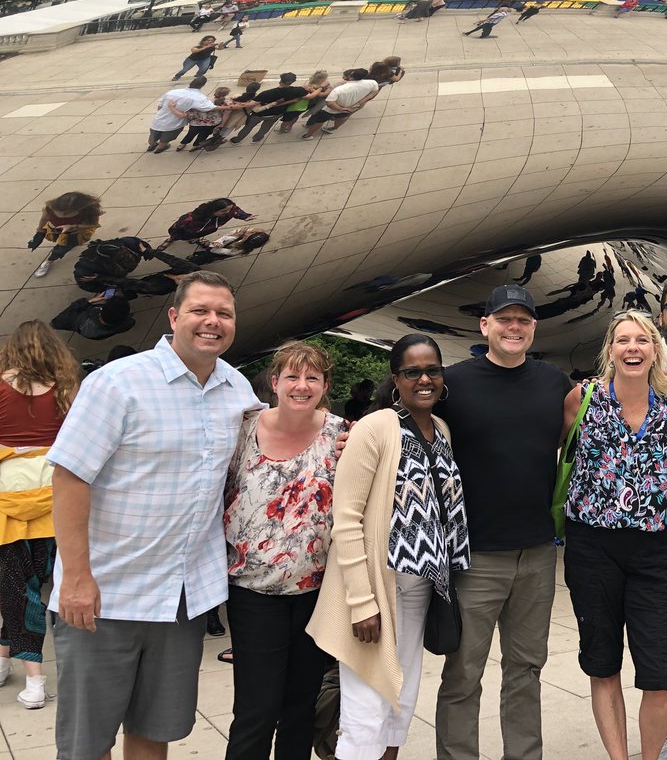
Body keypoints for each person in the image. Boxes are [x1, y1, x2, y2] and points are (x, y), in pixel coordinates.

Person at [47, 271, 267, 759]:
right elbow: (69, 478)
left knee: (154, 731)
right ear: (174, 317)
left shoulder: (239, 392)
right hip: (107, 595)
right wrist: (77, 578)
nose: (212, 322)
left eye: (223, 314)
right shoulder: (118, 383)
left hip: (182, 599)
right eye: (200, 311)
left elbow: (280, 442)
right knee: (88, 742)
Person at [308, 335, 469, 759]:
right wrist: (361, 602)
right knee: (365, 711)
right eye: (412, 371)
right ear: (395, 379)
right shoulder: (377, 427)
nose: (424, 379)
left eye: (432, 369)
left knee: (401, 701)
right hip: (379, 587)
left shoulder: (442, 429)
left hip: (420, 590)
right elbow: (346, 519)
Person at [435, 284, 571, 760]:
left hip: (536, 553)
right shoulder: (453, 383)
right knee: (462, 674)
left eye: (523, 321)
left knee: (526, 669)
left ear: (533, 328)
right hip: (475, 555)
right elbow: (403, 428)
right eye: (505, 319)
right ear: (485, 325)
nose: (514, 327)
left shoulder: (555, 384)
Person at [561, 310, 667, 760]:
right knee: (602, 660)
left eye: (642, 340)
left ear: (655, 349)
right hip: (592, 546)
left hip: (651, 550)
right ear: (610, 350)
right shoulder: (582, 399)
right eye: (622, 340)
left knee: (659, 671)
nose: (632, 347)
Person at [223, 341, 346, 759]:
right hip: (252, 593)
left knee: (300, 707)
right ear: (274, 382)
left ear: (325, 384)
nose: (301, 385)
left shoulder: (341, 434)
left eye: (312, 377)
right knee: (256, 709)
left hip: (317, 593)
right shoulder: (242, 428)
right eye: (292, 376)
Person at [0, 321, 79, 710]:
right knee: (35, 583)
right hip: (55, 499)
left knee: (16, 587)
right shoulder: (67, 390)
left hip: (6, 503)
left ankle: (34, 679)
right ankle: (3, 659)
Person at [27, 191, 103, 278]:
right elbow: (44, 218)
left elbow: (93, 224)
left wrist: (72, 226)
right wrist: (39, 231)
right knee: (60, 243)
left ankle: (49, 261)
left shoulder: (88, 211)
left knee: (60, 249)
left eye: (68, 212)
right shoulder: (49, 208)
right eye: (59, 211)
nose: (62, 214)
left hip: (74, 233)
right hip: (55, 230)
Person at [230, 73, 312, 144]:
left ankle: (237, 139)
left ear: (280, 81)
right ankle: (256, 139)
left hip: (259, 114)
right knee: (265, 128)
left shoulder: (266, 93)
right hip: (275, 114)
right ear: (292, 82)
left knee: (248, 127)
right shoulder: (298, 90)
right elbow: (309, 96)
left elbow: (251, 104)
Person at [302, 69, 378, 140]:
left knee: (319, 121)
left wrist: (340, 109)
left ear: (351, 77)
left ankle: (309, 135)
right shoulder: (372, 83)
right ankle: (334, 128)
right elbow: (375, 91)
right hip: (351, 107)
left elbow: (330, 103)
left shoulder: (339, 89)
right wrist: (363, 101)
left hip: (331, 110)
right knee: (343, 117)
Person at [148, 76, 216, 153]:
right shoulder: (199, 97)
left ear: (190, 83)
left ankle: (152, 145)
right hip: (173, 125)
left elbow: (159, 106)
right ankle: (161, 148)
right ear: (202, 85)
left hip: (157, 121)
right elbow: (209, 107)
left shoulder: (172, 92)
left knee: (152, 137)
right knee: (165, 139)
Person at [158, 199, 256, 251]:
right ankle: (170, 240)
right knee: (176, 236)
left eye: (229, 209)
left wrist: (245, 216)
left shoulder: (227, 213)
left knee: (196, 236)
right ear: (214, 210)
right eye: (223, 211)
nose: (228, 212)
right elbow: (179, 225)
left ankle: (196, 239)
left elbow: (236, 211)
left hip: (205, 230)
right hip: (188, 230)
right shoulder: (195, 217)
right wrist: (175, 233)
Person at [51, 294, 136, 340]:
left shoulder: (81, 321)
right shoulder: (126, 324)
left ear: (102, 310)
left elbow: (57, 322)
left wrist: (89, 301)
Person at [178, 86, 232, 151]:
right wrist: (222, 124)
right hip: (212, 122)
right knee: (203, 135)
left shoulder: (206, 99)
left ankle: (183, 144)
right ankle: (196, 146)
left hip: (197, 121)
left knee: (191, 133)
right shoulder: (227, 104)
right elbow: (227, 114)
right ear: (226, 95)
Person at [187, 228, 271, 265]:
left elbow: (215, 250)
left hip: (218, 251)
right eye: (251, 233)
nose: (247, 233)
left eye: (248, 235)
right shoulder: (254, 232)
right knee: (212, 245)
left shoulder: (237, 250)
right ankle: (205, 244)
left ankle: (193, 260)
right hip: (222, 243)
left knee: (205, 256)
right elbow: (227, 235)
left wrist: (219, 244)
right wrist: (220, 241)